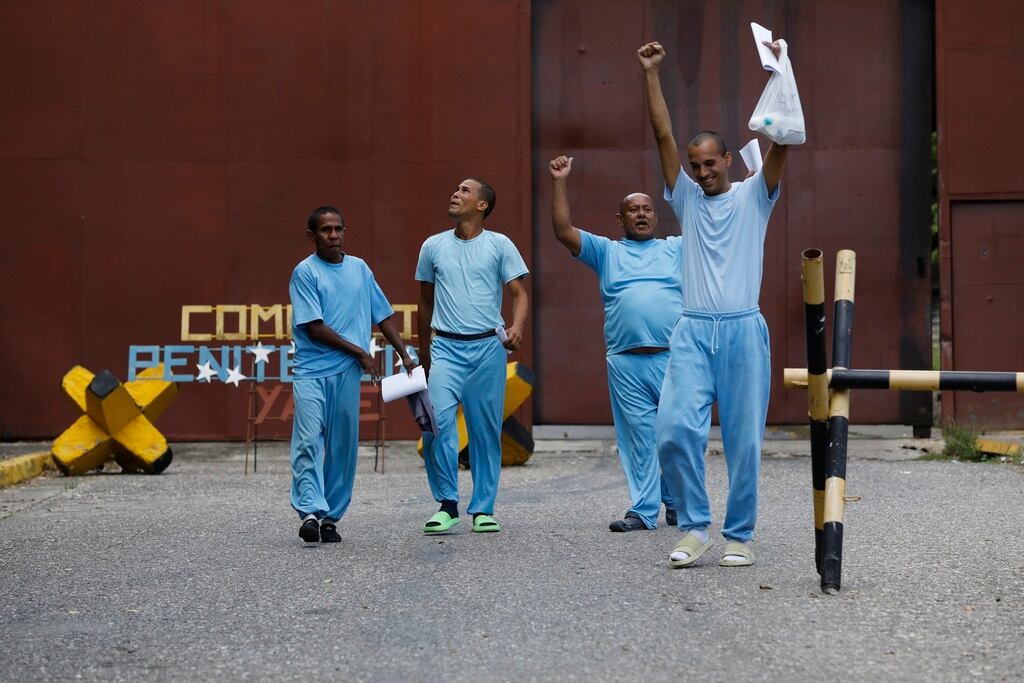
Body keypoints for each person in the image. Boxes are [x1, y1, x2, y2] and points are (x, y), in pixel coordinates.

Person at [638, 39, 790, 567]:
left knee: (744, 440)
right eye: (695, 166)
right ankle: (695, 527)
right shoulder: (684, 197)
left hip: (744, 330)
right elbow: (662, 132)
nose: (703, 173)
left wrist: (781, 72)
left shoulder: (754, 195)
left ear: (728, 160)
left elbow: (783, 139)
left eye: (710, 164)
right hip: (693, 331)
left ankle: (740, 535)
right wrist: (651, 72)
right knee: (674, 430)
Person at [548, 154, 680, 532]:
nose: (641, 214)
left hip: (674, 359)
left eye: (647, 209)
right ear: (620, 220)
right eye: (633, 210)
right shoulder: (607, 251)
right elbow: (563, 230)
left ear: (656, 217)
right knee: (639, 438)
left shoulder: (676, 248)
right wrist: (559, 180)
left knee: (675, 435)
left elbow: (717, 232)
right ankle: (643, 510)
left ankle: (676, 502)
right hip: (626, 362)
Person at [289, 206, 415, 543]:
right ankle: (310, 511)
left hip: (346, 372)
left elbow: (382, 315)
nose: (333, 235)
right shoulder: (305, 272)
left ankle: (330, 518)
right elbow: (314, 327)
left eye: (338, 229)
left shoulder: (360, 268)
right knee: (308, 440)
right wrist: (360, 351)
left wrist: (404, 354)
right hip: (311, 371)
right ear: (312, 236)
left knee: (343, 447)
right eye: (325, 230)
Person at [415, 178, 529, 534]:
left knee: (485, 432)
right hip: (445, 348)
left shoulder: (500, 244)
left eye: (465, 190)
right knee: (437, 424)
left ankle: (483, 509)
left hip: (487, 349)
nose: (455, 193)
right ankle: (447, 505)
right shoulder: (432, 246)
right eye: (455, 189)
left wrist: (517, 326)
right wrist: (424, 351)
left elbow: (519, 294)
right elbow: (424, 301)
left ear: (482, 205)